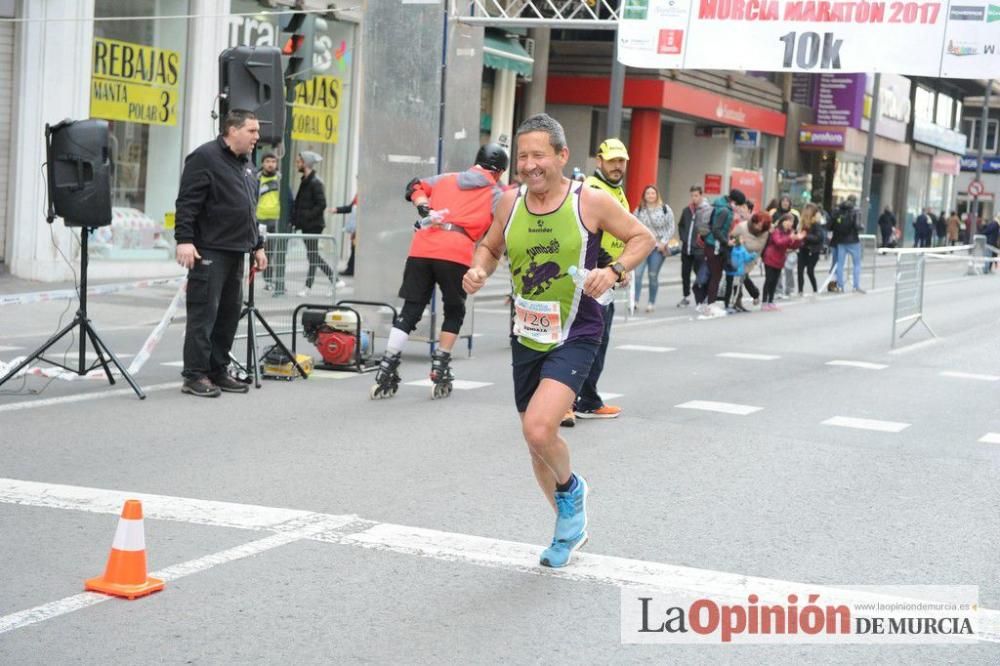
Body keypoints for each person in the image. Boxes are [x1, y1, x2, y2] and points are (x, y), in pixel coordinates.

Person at [462, 113, 654, 568]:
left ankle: (572, 491)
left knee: (539, 427)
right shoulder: (509, 203)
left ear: (561, 156)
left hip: (576, 330)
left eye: (538, 155)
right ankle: (567, 527)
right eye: (522, 156)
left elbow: (641, 237)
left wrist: (613, 270)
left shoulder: (587, 201)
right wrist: (479, 269)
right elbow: (490, 246)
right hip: (527, 332)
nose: (529, 165)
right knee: (536, 442)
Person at [369, 143, 508, 400]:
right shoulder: (495, 192)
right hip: (456, 251)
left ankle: (388, 364)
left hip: (422, 247)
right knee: (454, 309)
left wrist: (423, 206)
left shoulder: (446, 178)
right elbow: (506, 221)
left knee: (411, 308)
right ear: (499, 172)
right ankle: (440, 365)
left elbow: (415, 185)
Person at [174, 109, 265, 397]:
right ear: (232, 130)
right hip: (209, 249)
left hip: (236, 250)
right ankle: (195, 375)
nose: (257, 137)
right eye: (251, 131)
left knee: (228, 314)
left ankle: (218, 369)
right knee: (204, 314)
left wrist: (258, 246)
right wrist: (184, 240)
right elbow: (187, 203)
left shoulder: (247, 164)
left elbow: (250, 209)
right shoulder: (205, 157)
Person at [566, 138, 632, 426]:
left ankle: (587, 398)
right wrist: (613, 266)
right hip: (591, 274)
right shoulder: (593, 189)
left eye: (622, 161)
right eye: (613, 161)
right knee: (585, 340)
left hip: (607, 276)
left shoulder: (615, 191)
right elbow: (589, 236)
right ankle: (570, 401)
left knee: (598, 339)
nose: (618, 166)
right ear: (599, 161)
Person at [293, 151, 337, 297]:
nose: (297, 164)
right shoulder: (307, 180)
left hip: (313, 225)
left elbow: (321, 204)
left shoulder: (315, 182)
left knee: (313, 255)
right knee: (312, 255)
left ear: (306, 163)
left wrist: (306, 216)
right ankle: (309, 286)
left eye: (299, 161)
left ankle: (334, 280)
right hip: (308, 224)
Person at [695, 188, 745, 316]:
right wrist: (726, 242)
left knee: (713, 275)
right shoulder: (724, 210)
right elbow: (717, 230)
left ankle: (707, 303)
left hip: (713, 245)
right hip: (714, 246)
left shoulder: (720, 206)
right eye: (738, 205)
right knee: (715, 276)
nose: (738, 208)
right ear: (733, 202)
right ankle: (710, 304)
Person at [632, 184, 675, 313]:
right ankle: (635, 301)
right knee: (637, 274)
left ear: (657, 195)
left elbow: (671, 227)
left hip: (658, 248)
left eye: (653, 193)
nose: (650, 196)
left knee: (652, 275)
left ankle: (651, 302)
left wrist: (664, 242)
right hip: (643, 247)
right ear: (644, 196)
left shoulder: (665, 209)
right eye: (648, 193)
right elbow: (633, 225)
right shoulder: (639, 210)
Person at [761, 213, 805, 310]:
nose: (790, 223)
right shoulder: (777, 231)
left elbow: (792, 246)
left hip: (780, 259)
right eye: (788, 221)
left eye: (792, 221)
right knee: (769, 280)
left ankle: (771, 301)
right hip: (770, 257)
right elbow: (778, 242)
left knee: (775, 281)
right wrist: (790, 238)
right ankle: (764, 302)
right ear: (782, 221)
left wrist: (798, 240)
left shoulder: (790, 232)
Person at [676, 185, 711, 308]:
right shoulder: (687, 210)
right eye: (692, 195)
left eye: (696, 195)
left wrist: (701, 241)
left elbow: (707, 229)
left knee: (699, 274)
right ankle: (685, 296)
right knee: (685, 273)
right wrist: (684, 238)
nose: (694, 198)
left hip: (699, 249)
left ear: (701, 195)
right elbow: (681, 225)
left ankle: (703, 296)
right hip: (687, 248)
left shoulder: (706, 210)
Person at [256, 153, 285, 296]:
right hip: (260, 219)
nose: (271, 164)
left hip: (275, 220)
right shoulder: (257, 178)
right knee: (263, 251)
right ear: (262, 163)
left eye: (273, 161)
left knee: (273, 252)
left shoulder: (280, 179)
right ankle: (267, 281)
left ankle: (275, 282)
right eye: (267, 161)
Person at [729, 208, 769, 309]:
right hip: (739, 258)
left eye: (762, 226)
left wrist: (756, 260)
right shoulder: (742, 227)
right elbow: (731, 238)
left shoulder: (765, 233)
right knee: (739, 279)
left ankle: (753, 295)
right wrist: (739, 242)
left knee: (744, 278)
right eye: (758, 224)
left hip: (751, 258)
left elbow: (761, 247)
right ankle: (737, 301)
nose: (759, 227)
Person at [830, 195, 865, 293]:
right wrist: (862, 227)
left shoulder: (838, 210)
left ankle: (840, 286)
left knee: (840, 264)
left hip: (841, 241)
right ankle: (856, 286)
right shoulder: (856, 211)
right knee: (856, 264)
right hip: (853, 241)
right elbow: (858, 226)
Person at [797, 202, 824, 296]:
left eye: (808, 210)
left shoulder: (816, 223)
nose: (806, 212)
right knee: (800, 270)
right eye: (806, 210)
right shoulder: (802, 223)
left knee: (809, 271)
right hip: (803, 249)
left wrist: (806, 236)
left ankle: (815, 290)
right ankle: (800, 291)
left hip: (813, 251)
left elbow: (819, 238)